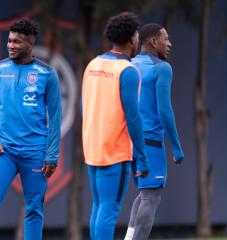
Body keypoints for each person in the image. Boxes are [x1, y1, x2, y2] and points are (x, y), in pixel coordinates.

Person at [0, 18, 61, 240]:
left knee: (34, 208)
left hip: (35, 153)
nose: (11, 45)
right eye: (10, 40)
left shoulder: (47, 74)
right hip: (5, 151)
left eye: (17, 42)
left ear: (30, 45)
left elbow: (56, 117)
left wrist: (52, 155)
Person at [81, 12, 149, 240]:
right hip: (114, 152)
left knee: (98, 207)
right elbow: (134, 117)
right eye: (137, 34)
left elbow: (85, 107)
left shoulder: (93, 64)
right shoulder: (128, 71)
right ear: (131, 38)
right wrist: (141, 155)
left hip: (93, 148)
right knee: (108, 210)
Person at [124, 23, 184, 240]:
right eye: (165, 38)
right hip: (149, 142)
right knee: (151, 196)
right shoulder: (161, 68)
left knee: (143, 194)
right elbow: (164, 110)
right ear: (153, 41)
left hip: (127, 142)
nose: (169, 43)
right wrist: (176, 147)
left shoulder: (128, 65)